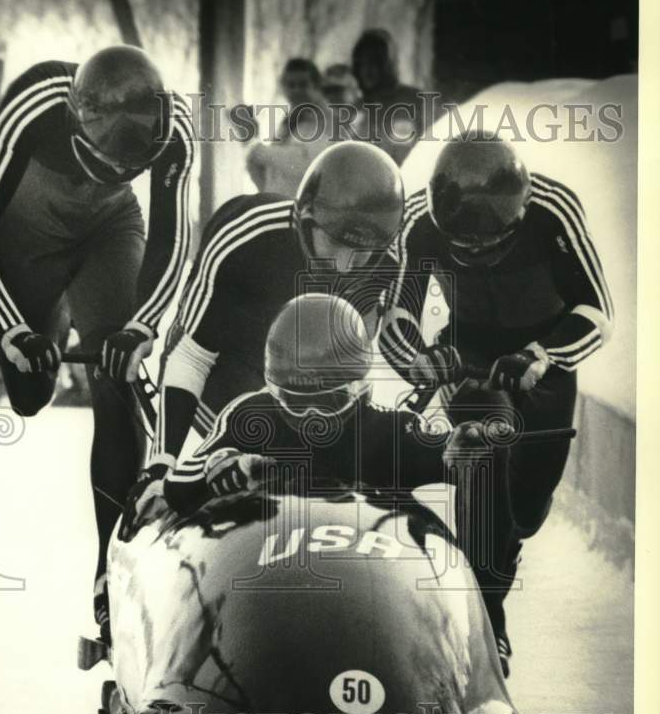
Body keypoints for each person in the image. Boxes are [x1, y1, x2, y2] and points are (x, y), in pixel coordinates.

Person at [0, 45, 195, 644]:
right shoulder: (36, 103)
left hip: (111, 228)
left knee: (119, 376)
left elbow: (172, 237)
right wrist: (12, 326)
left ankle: (107, 571)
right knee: (31, 394)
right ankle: (50, 311)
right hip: (30, 226)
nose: (116, 173)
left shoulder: (177, 128)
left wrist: (142, 327)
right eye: (106, 163)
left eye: (130, 168)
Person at [149, 294, 511, 672]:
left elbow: (451, 456)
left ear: (359, 390)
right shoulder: (249, 415)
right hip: (263, 592)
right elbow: (178, 488)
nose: (312, 418)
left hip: (372, 596)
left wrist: (461, 452)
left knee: (488, 455)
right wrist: (225, 468)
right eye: (295, 400)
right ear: (274, 389)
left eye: (329, 401)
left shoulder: (388, 428)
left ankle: (489, 623)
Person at [378, 131, 614, 672]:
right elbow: (396, 314)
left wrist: (543, 356)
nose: (478, 256)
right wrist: (421, 362)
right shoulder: (418, 220)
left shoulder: (554, 210)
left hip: (542, 360)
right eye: (463, 246)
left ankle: (496, 569)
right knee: (484, 452)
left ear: (520, 211)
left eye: (493, 244)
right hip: (471, 360)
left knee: (523, 514)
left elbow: (597, 311)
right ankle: (486, 622)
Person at [127, 140, 405, 512]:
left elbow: (349, 374)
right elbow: (191, 356)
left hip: (298, 380)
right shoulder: (248, 236)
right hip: (225, 369)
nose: (345, 266)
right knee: (246, 457)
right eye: (337, 244)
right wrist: (163, 465)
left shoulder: (386, 265)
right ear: (307, 222)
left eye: (363, 251)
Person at [244, 58, 332, 198]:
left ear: (316, 87)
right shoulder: (289, 121)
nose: (296, 90)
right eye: (291, 85)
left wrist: (258, 150)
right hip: (281, 208)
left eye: (303, 85)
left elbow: (308, 165)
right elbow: (269, 174)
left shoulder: (326, 120)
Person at [351, 28, 427, 166]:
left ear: (387, 65)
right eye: (362, 64)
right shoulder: (356, 109)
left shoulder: (416, 101)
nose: (368, 71)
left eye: (374, 63)